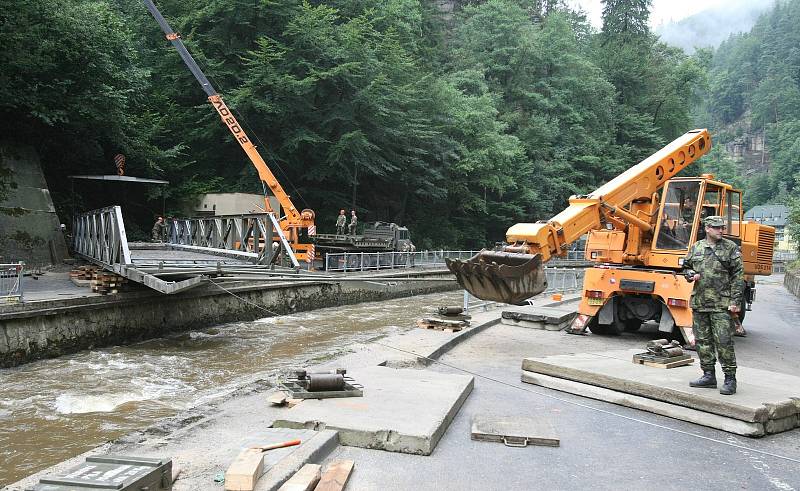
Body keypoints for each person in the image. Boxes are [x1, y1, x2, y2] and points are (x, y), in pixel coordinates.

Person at [683, 215, 743, 395]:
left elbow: (738, 276)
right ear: (707, 228)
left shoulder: (730, 248)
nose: (721, 230)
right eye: (717, 228)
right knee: (702, 342)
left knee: (724, 341)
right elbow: (685, 267)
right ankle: (708, 375)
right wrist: (690, 274)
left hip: (722, 303)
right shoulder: (697, 247)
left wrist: (735, 301)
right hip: (700, 302)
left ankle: (730, 378)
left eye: (722, 228)